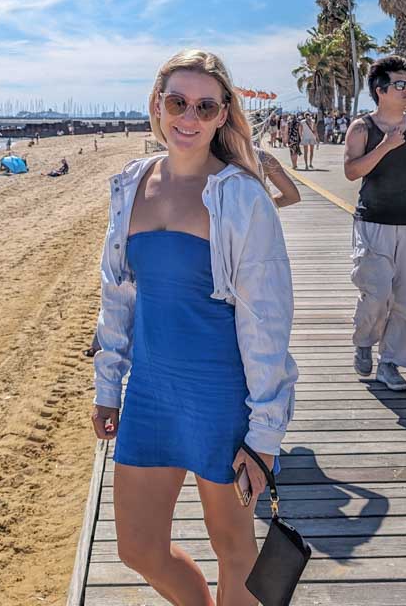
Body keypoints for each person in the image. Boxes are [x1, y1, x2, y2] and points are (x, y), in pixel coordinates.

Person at [90, 49, 297, 605]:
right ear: (157, 105)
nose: (189, 116)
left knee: (235, 551)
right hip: (151, 391)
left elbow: (267, 322)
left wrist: (265, 436)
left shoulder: (240, 196)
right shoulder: (131, 185)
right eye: (177, 101)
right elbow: (118, 296)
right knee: (137, 546)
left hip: (221, 396)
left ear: (224, 114)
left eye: (206, 106)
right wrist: (108, 387)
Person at [344, 56, 406, 391]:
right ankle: (364, 341)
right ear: (380, 90)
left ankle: (391, 363)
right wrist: (386, 147)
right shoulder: (362, 128)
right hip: (372, 221)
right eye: (400, 85)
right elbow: (352, 171)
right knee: (377, 294)